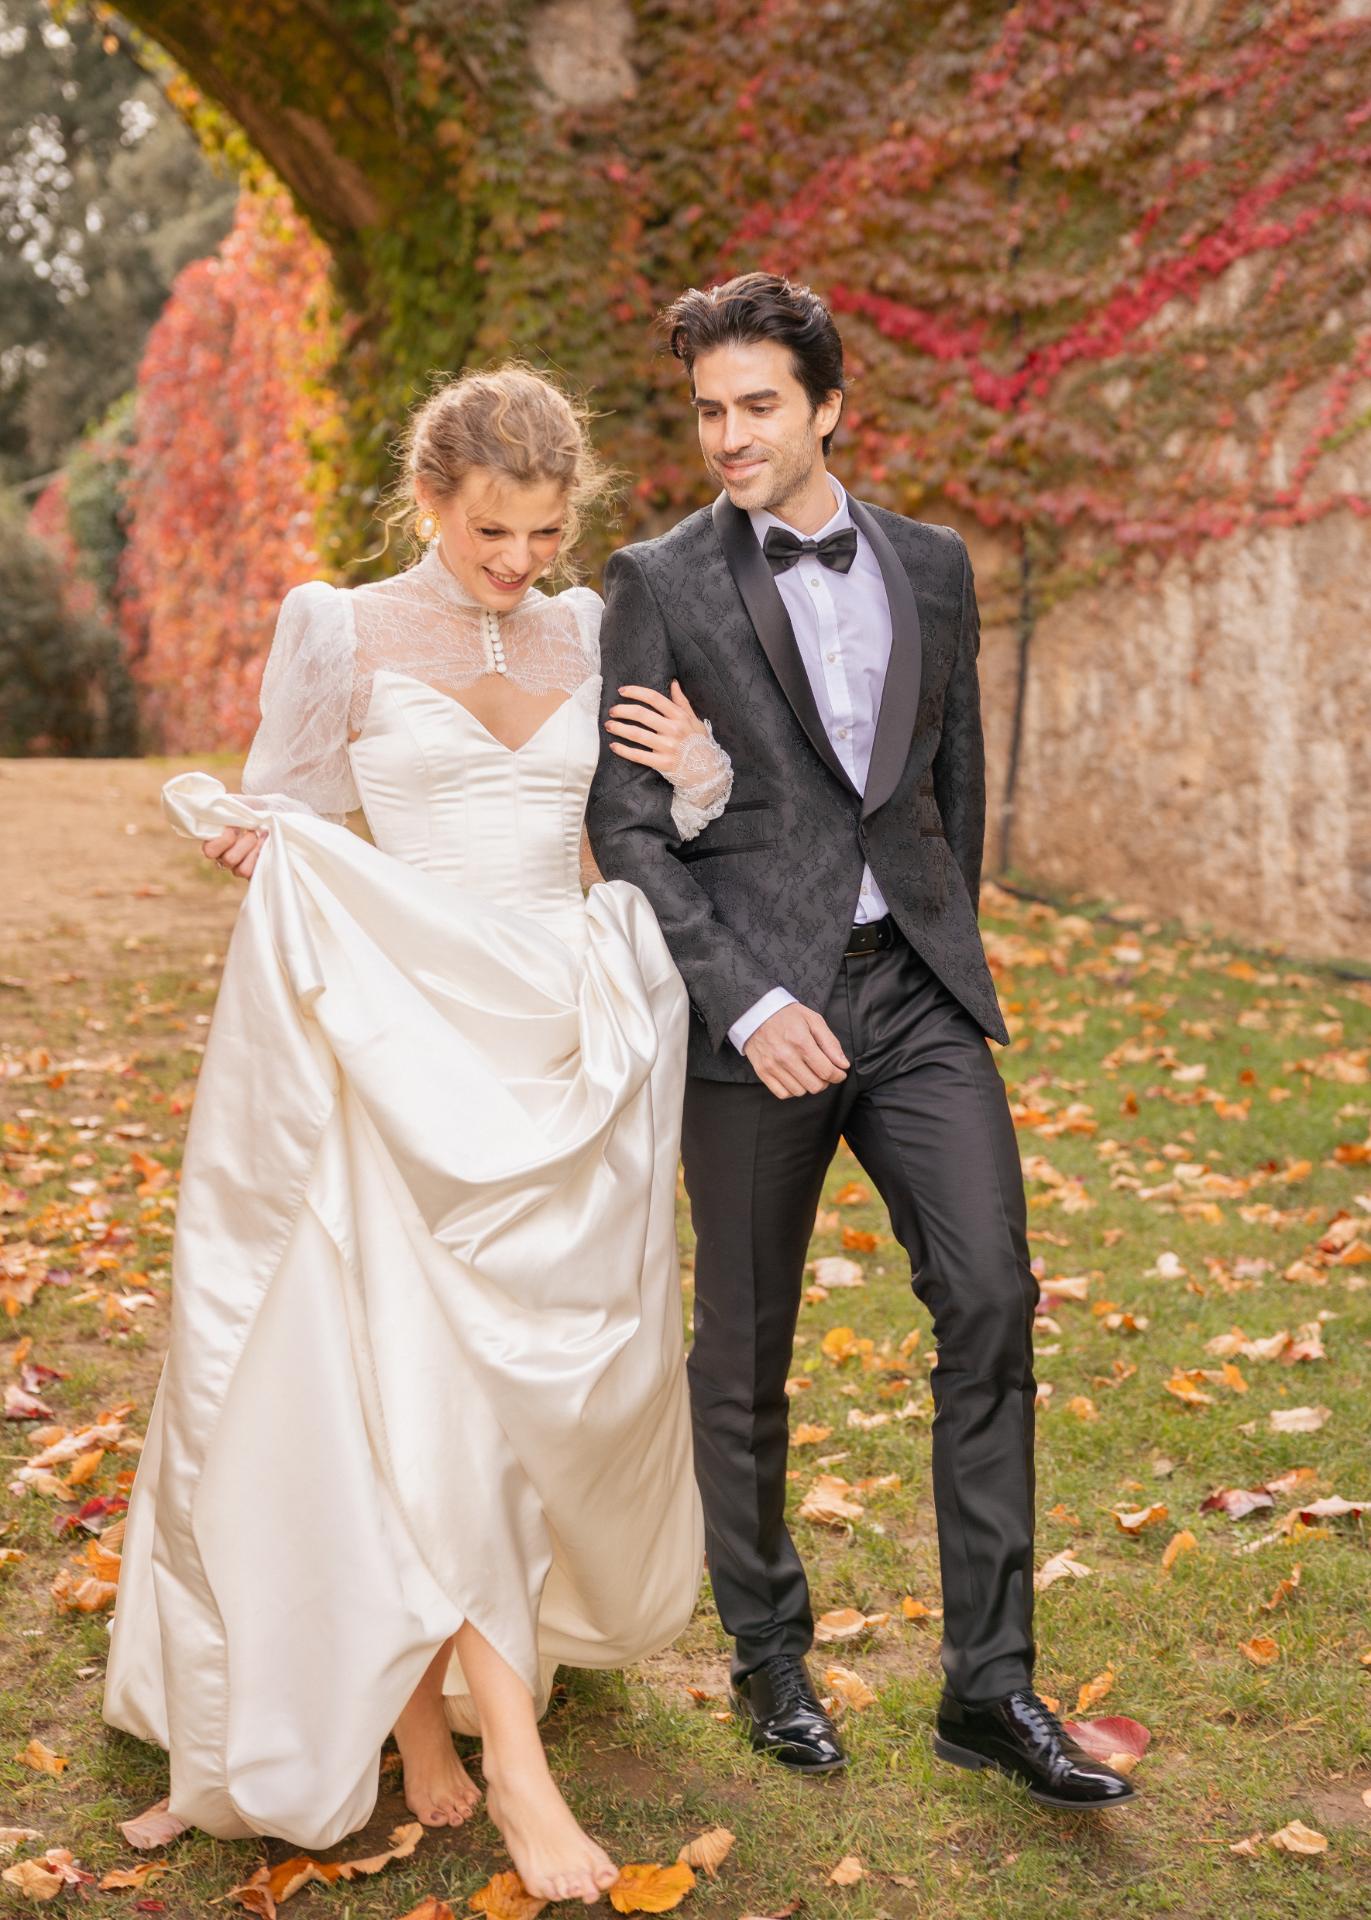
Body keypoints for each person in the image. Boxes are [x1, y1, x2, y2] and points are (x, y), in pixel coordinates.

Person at [103, 366, 729, 1898]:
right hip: (401, 1040)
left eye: (545, 531)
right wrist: (263, 842)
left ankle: (436, 1698)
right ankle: (505, 1760)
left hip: (554, 1036)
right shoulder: (341, 627)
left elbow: (624, 836)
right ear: (431, 500)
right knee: (420, 1378)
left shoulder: (594, 630)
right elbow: (291, 820)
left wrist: (700, 781)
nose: (519, 560)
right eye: (491, 530)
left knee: (521, 1381)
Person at [586, 273, 1134, 1810]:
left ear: (828, 407)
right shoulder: (659, 580)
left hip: (915, 1000)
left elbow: (952, 783)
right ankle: (770, 1657)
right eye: (709, 410)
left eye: (759, 405)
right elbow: (625, 824)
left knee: (991, 1298)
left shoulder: (935, 566)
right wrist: (748, 1003)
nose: (729, 435)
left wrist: (942, 944)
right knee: (745, 1348)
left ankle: (991, 1688)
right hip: (754, 1015)